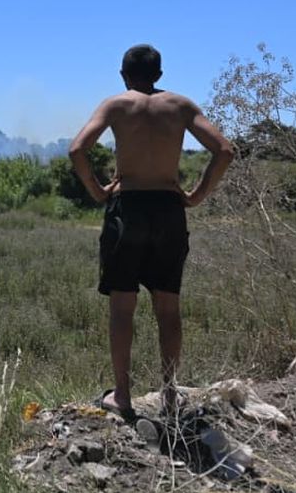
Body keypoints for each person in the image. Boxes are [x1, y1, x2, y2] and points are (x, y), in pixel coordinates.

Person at [69, 45, 234, 420]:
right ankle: (171, 396)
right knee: (168, 308)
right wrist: (194, 196)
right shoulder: (181, 106)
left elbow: (78, 149)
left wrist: (97, 191)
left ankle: (122, 396)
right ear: (159, 75)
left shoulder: (115, 105)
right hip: (168, 211)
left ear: (123, 74)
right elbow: (224, 150)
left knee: (122, 309)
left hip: (128, 208)